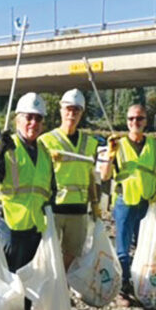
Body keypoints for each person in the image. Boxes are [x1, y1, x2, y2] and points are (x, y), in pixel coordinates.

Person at [0, 92, 54, 310]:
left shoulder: (44, 152)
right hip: (9, 228)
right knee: (7, 284)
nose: (33, 123)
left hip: (34, 228)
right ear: (17, 119)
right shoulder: (7, 147)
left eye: (38, 118)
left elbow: (50, 187)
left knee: (28, 284)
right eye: (28, 117)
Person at [100, 104, 156, 307]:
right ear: (127, 121)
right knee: (122, 249)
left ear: (146, 121)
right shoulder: (117, 144)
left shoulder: (154, 145)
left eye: (139, 119)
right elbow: (104, 175)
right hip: (125, 203)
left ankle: (141, 284)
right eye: (131, 119)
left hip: (146, 202)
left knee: (143, 247)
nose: (134, 123)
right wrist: (110, 156)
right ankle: (123, 289)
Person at [39, 89, 100, 270]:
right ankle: (51, 291)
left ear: (81, 113)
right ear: (61, 110)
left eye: (76, 110)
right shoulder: (45, 141)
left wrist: (95, 203)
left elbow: (91, 175)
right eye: (68, 109)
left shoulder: (90, 143)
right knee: (49, 255)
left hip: (79, 209)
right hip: (54, 208)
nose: (71, 114)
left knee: (72, 254)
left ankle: (63, 289)